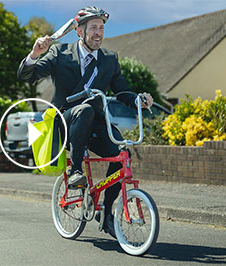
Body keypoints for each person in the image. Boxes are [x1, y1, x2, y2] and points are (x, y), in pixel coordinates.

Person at [17, 6, 153, 238]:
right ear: (80, 32)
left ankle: (106, 213)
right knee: (85, 109)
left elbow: (122, 92)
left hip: (96, 125)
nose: (98, 33)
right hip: (66, 122)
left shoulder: (109, 59)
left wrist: (139, 100)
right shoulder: (60, 54)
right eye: (93, 28)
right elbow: (25, 76)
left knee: (122, 155)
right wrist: (35, 54)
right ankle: (76, 170)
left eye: (101, 28)